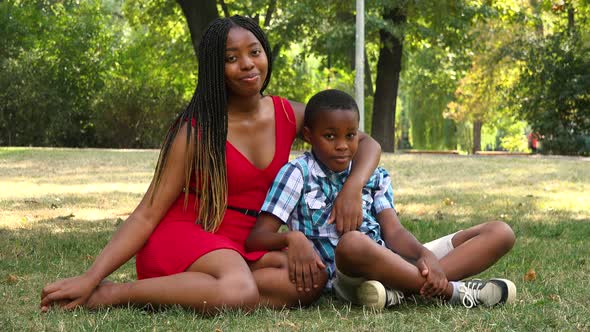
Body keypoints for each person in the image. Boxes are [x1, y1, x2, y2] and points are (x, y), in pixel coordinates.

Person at [40, 16, 382, 313]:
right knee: (241, 289)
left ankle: (207, 291)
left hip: (247, 241)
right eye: (231, 58)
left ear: (266, 55)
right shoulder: (196, 130)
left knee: (312, 277)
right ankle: (116, 294)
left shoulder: (288, 114)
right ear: (213, 68)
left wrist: (352, 187)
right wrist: (92, 277)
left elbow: (366, 143)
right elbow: (147, 212)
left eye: (254, 52)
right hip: (191, 231)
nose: (247, 64)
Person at [246, 89, 517, 309]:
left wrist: (424, 255)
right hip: (347, 274)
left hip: (392, 258)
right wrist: (293, 239)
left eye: (350, 136)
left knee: (500, 232)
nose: (342, 145)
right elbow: (257, 237)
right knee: (352, 242)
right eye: (330, 136)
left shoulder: (373, 175)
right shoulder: (297, 174)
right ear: (308, 136)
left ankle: (399, 290)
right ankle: (451, 291)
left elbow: (394, 231)